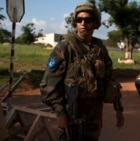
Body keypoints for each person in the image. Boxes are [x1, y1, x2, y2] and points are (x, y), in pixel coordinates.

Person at [39, 2, 124, 141]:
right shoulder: (65, 47)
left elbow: (110, 80)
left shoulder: (100, 49)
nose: (83, 23)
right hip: (72, 116)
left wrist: (118, 109)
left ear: (95, 23)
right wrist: (60, 114)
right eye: (79, 20)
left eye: (88, 20)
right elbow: (48, 85)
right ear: (75, 22)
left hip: (94, 117)